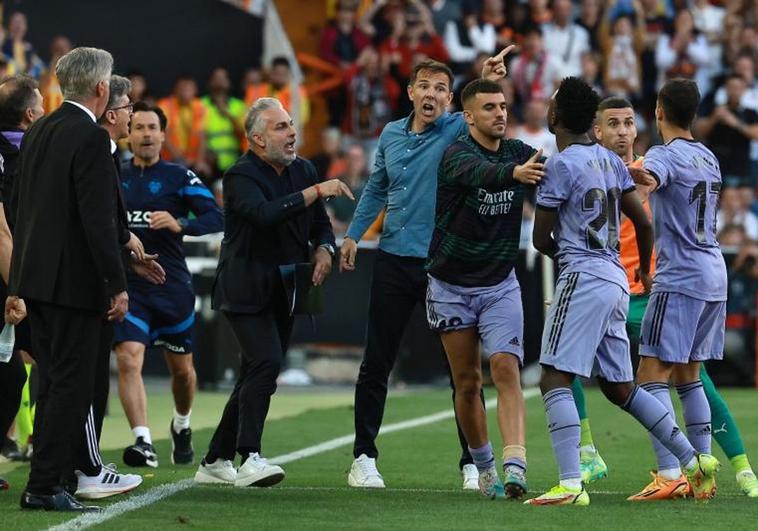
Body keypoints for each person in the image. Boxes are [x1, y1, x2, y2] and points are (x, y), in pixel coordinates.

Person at [525, 76, 719, 506]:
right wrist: (643, 272)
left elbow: (541, 240)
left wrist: (572, 260)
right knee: (621, 387)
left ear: (556, 116)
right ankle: (692, 460)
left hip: (584, 275)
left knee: (553, 375)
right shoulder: (611, 162)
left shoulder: (558, 165)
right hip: (617, 277)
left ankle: (571, 485)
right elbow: (644, 222)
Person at [340, 49, 512, 490]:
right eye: (425, 86)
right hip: (395, 259)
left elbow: (482, 108)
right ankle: (363, 457)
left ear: (451, 101)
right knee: (376, 361)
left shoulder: (457, 128)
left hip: (444, 265)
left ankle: (471, 462)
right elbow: (377, 186)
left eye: (441, 88)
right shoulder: (391, 135)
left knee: (463, 373)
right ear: (411, 92)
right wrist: (353, 235)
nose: (432, 94)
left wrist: (484, 76)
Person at [572, 96, 758, 498]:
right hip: (613, 287)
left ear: (644, 124)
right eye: (613, 124)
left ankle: (718, 469)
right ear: (597, 132)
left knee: (682, 376)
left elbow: (650, 182)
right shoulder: (586, 171)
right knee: (565, 364)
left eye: (627, 123)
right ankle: (589, 451)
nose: (622, 131)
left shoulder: (654, 165)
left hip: (650, 289)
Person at [194, 97, 348, 487]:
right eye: (281, 127)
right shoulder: (240, 176)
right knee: (265, 362)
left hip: (286, 286)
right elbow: (265, 214)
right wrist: (315, 191)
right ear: (258, 140)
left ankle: (215, 459)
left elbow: (320, 225)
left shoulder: (304, 170)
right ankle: (250, 456)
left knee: (255, 370)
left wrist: (325, 249)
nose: (292, 132)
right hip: (244, 285)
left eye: (291, 124)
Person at [9, 47, 129, 512]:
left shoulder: (37, 130)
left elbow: (18, 206)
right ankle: (44, 486)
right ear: (102, 89)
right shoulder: (91, 138)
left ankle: (50, 478)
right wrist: (116, 283)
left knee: (54, 380)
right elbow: (96, 220)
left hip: (35, 277)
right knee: (71, 385)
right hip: (73, 285)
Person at [426, 78, 543, 499]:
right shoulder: (456, 155)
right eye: (489, 107)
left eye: (503, 106)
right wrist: (515, 174)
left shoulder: (518, 152)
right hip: (451, 285)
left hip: (499, 283)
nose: (500, 113)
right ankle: (484, 468)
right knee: (467, 381)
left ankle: (515, 466)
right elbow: (482, 174)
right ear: (469, 116)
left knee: (506, 369)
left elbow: (560, 170)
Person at [626, 78, 729, 502]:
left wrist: (619, 168)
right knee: (689, 375)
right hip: (714, 274)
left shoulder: (664, 154)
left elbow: (648, 177)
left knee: (649, 376)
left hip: (681, 275)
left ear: (659, 111)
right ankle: (703, 472)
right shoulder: (709, 156)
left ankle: (672, 472)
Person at [114, 102, 222, 469]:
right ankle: (143, 441)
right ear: (128, 133)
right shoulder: (113, 174)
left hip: (171, 286)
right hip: (130, 285)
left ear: (163, 134)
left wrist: (180, 223)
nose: (145, 134)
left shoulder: (179, 177)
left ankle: (182, 423)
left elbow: (216, 216)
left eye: (151, 128)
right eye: (139, 127)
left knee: (182, 371)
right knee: (128, 358)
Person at [0, 74, 43, 462]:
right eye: (43, 104)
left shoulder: (29, 154)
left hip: (18, 275)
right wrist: (18, 288)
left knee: (16, 372)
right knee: (16, 373)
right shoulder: (27, 157)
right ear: (30, 113)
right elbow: (3, 231)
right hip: (17, 278)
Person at [158, 75, 211, 176]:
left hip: (193, 160)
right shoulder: (165, 105)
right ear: (175, 90)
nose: (185, 92)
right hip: (171, 159)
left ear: (195, 90)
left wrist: (199, 161)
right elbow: (165, 137)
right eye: (182, 89)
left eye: (189, 89)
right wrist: (183, 161)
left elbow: (202, 137)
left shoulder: (200, 107)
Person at [202, 67, 247, 178]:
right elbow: (197, 135)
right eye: (216, 78)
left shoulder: (239, 105)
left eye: (223, 78)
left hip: (235, 164)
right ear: (210, 82)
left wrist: (228, 115)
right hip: (209, 166)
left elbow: (244, 134)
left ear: (229, 82)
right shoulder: (201, 105)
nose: (220, 81)